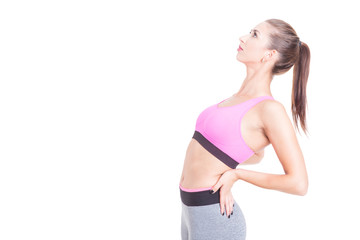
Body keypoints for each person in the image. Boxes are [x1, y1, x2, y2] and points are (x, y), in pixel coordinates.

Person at [179, 19, 310, 240]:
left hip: (214, 215)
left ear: (268, 55)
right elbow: (253, 153)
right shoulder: (237, 98)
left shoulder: (270, 110)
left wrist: (237, 174)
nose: (243, 38)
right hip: (190, 210)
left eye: (255, 34)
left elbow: (298, 183)